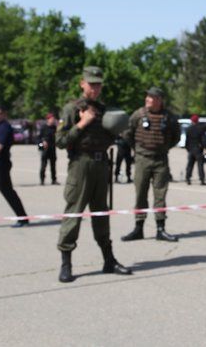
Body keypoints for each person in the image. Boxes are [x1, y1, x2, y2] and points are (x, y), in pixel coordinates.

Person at [55, 66, 132, 282]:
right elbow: (60, 141)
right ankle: (66, 263)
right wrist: (82, 123)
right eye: (91, 84)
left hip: (101, 166)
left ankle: (109, 260)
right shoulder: (72, 108)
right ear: (82, 83)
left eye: (98, 84)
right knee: (74, 212)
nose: (95, 88)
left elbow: (109, 139)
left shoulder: (104, 110)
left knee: (101, 213)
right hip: (80, 165)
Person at [121, 87, 181, 243]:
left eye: (151, 97)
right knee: (140, 193)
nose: (147, 99)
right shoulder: (138, 115)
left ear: (159, 100)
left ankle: (161, 229)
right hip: (142, 159)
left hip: (161, 160)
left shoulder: (169, 117)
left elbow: (176, 136)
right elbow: (127, 133)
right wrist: (138, 149)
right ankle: (138, 228)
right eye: (147, 97)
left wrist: (163, 148)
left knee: (160, 195)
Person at [184, 114, 206, 186]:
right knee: (200, 165)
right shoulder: (200, 128)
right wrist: (205, 147)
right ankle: (202, 179)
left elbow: (186, 141)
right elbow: (203, 140)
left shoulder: (188, 129)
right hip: (198, 149)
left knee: (190, 165)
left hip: (191, 149)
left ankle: (188, 178)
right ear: (197, 120)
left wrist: (188, 149)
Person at [38, 113, 59, 185]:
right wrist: (41, 145)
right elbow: (38, 139)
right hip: (45, 150)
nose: (53, 120)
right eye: (52, 119)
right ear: (48, 119)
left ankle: (54, 180)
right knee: (43, 165)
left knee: (53, 166)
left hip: (52, 149)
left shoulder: (55, 127)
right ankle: (42, 180)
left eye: (54, 119)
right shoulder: (43, 127)